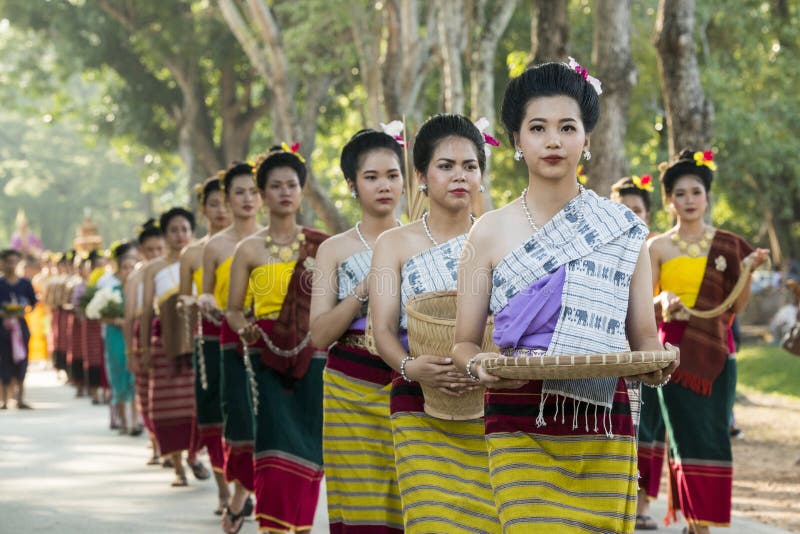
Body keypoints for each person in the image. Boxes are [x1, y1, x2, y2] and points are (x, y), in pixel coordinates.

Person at [451, 60, 678, 533]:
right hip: (516, 411)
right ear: (517, 141)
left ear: (587, 139)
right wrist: (481, 367)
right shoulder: (488, 232)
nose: (553, 140)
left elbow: (642, 339)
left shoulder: (621, 231)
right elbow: (464, 343)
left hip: (601, 419)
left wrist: (659, 362)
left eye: (566, 127)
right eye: (538, 128)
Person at [369, 114, 499, 533]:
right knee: (431, 522)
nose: (459, 176)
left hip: (489, 402)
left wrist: (486, 369)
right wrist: (411, 368)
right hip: (417, 401)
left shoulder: (500, 238)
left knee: (488, 521)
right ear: (422, 175)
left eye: (470, 166)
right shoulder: (394, 244)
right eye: (446, 166)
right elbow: (384, 329)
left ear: (481, 175)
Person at [648, 149, 768, 533]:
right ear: (669, 200)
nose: (688, 200)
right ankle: (696, 522)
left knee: (714, 436)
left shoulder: (729, 245)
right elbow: (643, 303)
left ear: (707, 196)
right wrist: (661, 299)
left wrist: (747, 272)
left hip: (719, 354)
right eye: (680, 193)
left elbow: (738, 306)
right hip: (673, 357)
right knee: (683, 438)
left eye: (695, 192)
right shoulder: (657, 247)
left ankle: (702, 519)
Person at [227, 145, 328, 534]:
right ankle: (273, 527)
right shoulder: (248, 249)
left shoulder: (322, 246)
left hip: (313, 355)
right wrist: (243, 328)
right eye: (275, 186)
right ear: (262, 193)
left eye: (292, 185)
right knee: (271, 447)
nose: (285, 192)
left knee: (307, 446)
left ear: (301, 191)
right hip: (266, 356)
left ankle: (300, 526)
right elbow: (235, 308)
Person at [309, 129, 404, 533]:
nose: (384, 185)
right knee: (360, 493)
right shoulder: (334, 249)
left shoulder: (421, 240)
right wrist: (361, 294)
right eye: (371, 176)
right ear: (352, 185)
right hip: (351, 383)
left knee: (413, 490)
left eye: (393, 175)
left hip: (411, 377)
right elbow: (318, 335)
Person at [197, 162, 262, 527]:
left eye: (254, 191)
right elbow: (206, 291)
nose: (248, 199)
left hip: (271, 338)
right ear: (225, 198)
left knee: (269, 417)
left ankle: (255, 495)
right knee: (238, 417)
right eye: (240, 192)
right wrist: (206, 301)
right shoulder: (215, 246)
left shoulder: (275, 241)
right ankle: (240, 492)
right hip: (230, 337)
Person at [179, 174, 233, 515]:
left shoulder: (253, 244)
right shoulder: (193, 253)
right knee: (213, 415)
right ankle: (223, 490)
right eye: (214, 204)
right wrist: (195, 301)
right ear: (203, 209)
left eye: (226, 203)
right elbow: (184, 295)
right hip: (209, 339)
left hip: (243, 336)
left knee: (242, 413)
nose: (222, 210)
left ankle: (243, 484)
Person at [612, 175, 662, 530]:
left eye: (638, 211)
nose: (631, 216)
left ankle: (640, 503)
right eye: (623, 209)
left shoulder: (649, 249)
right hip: (609, 361)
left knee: (646, 433)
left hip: (647, 353)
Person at [139, 208, 199, 487]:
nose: (180, 235)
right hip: (164, 345)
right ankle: (177, 466)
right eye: (174, 230)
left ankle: (194, 456)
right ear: (165, 235)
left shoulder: (202, 259)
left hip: (196, 341)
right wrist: (142, 350)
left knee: (196, 406)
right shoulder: (153, 269)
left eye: (185, 229)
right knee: (165, 408)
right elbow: (145, 313)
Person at [123, 220, 165, 461]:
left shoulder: (174, 267)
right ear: (141, 251)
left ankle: (175, 448)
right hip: (143, 332)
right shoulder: (136, 276)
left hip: (169, 332)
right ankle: (154, 441)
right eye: (150, 250)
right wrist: (131, 351)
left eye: (160, 249)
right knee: (146, 392)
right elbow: (129, 316)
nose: (155, 254)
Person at [99, 241, 138, 433]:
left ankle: (136, 421)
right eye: (125, 268)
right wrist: (117, 320)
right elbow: (100, 315)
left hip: (136, 337)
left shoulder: (140, 292)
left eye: (132, 268)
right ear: (119, 270)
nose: (128, 271)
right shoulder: (110, 292)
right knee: (119, 376)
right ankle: (123, 421)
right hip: (115, 338)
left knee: (135, 378)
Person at [0, 248, 38, 409]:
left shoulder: (25, 284)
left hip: (20, 328)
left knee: (22, 361)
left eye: (14, 262)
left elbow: (33, 303)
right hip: (3, 329)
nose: (11, 265)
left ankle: (20, 398)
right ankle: (4, 399)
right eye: (8, 262)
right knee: (3, 361)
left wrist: (24, 310)